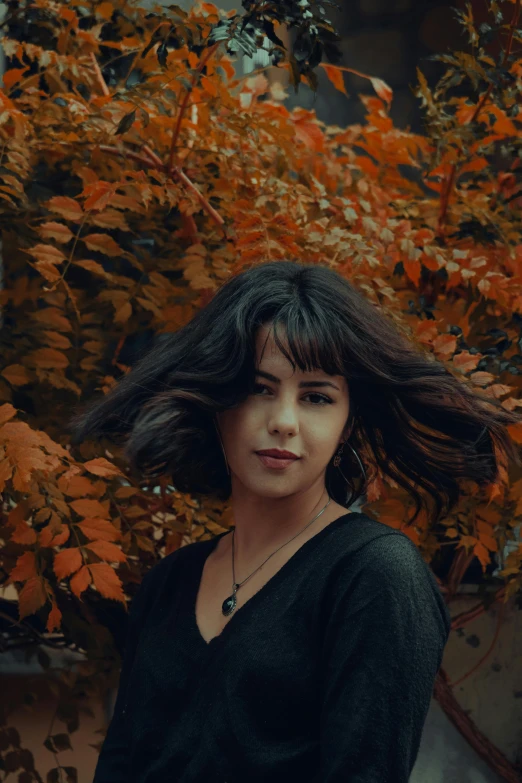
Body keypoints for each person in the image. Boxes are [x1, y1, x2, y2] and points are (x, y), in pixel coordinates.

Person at [69, 260, 520, 783]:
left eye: (316, 397)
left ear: (347, 422)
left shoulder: (375, 577)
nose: (284, 421)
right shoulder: (169, 583)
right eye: (260, 388)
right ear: (218, 403)